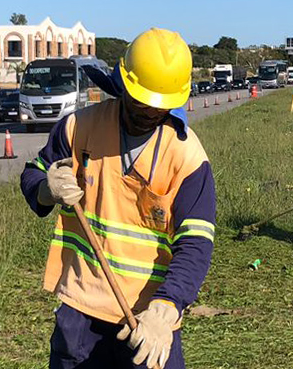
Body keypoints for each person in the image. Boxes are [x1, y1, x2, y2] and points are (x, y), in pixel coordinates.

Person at [20, 28, 216, 369]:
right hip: (81, 309)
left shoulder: (187, 157)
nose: (149, 112)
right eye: (141, 101)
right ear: (123, 85)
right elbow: (33, 173)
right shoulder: (78, 127)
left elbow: (196, 243)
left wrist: (166, 307)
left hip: (147, 318)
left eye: (159, 106)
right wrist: (45, 188)